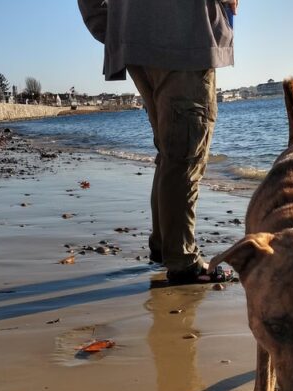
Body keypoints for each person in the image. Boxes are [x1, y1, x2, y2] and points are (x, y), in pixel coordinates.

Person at [78, 0, 238, 284]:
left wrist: (119, 26)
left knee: (171, 151)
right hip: (183, 35)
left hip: (139, 40)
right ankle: (182, 260)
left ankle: (166, 246)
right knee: (185, 155)